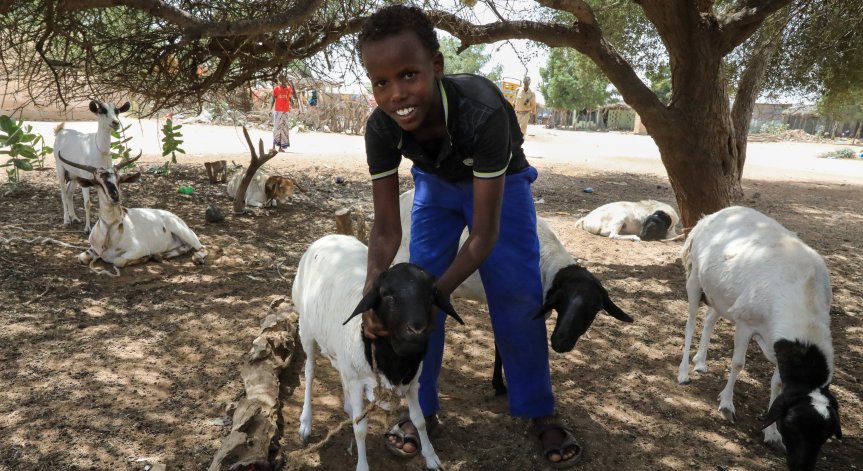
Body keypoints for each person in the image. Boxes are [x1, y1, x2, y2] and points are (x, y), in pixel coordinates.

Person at [357, 5, 581, 468]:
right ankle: (423, 408)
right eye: (381, 83)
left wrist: (432, 294)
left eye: (409, 74)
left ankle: (538, 410)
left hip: (501, 186)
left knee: (517, 293)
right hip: (435, 184)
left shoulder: (481, 111)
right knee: (413, 294)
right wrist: (373, 291)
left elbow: (484, 235)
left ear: (436, 67)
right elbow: (384, 228)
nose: (396, 94)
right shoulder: (380, 128)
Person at [271, 76, 293, 151]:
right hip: (277, 110)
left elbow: (292, 97)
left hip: (285, 111)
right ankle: (273, 146)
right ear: (280, 81)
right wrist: (270, 109)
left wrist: (292, 84)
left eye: (285, 80)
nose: (283, 82)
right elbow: (273, 99)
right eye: (281, 80)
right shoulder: (276, 88)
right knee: (276, 128)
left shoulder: (289, 88)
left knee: (284, 130)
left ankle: (281, 147)